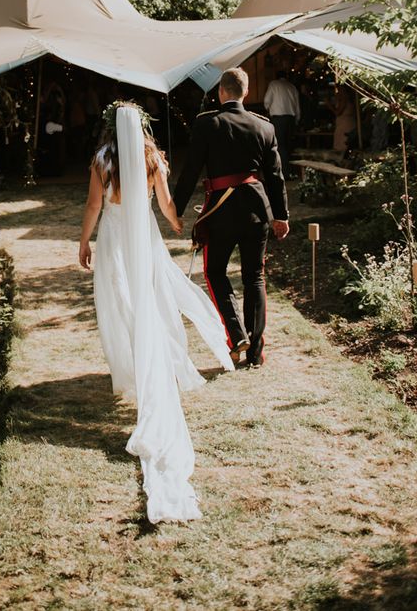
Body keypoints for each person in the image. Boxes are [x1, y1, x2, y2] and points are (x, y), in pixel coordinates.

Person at [79, 103, 234, 524]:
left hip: (113, 236)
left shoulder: (102, 160)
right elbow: (165, 202)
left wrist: (84, 241)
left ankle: (131, 366)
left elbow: (94, 205)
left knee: (120, 300)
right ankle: (151, 360)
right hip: (143, 235)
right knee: (151, 296)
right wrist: (176, 223)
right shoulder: (152, 157)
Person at [173, 67, 289, 368]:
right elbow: (275, 177)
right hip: (257, 211)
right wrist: (282, 216)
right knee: (254, 277)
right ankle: (255, 352)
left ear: (221, 92)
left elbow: (190, 172)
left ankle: (237, 335)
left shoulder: (206, 124)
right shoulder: (264, 127)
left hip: (221, 212)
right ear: (246, 92)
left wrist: (176, 208)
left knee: (215, 272)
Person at [263, 70, 300, 173]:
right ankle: (291, 171)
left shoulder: (274, 84)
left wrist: (268, 109)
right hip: (291, 118)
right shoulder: (292, 86)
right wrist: (297, 120)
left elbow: (267, 101)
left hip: (278, 118)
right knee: (288, 144)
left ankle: (285, 172)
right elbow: (297, 106)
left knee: (280, 145)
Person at [332, 84, 356, 153]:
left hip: (344, 124)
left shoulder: (344, 99)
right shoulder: (346, 99)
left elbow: (338, 112)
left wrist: (329, 105)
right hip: (346, 122)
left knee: (342, 143)